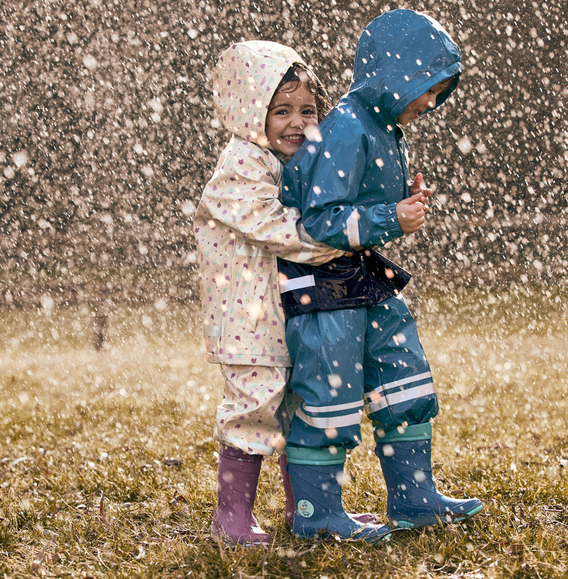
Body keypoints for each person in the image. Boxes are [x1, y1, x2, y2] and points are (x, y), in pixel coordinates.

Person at [277, 9, 483, 541]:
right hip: (323, 288)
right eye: (428, 88)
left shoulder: (380, 126)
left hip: (365, 278)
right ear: (397, 76)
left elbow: (359, 207)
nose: (432, 102)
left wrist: (398, 207)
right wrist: (390, 216)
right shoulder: (344, 127)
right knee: (330, 394)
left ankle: (413, 497)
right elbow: (320, 219)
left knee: (403, 377)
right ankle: (317, 516)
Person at [194, 40, 381, 547]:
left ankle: (311, 507)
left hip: (295, 309)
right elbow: (271, 226)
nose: (297, 122)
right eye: (281, 111)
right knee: (255, 406)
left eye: (307, 110)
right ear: (249, 111)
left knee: (301, 406)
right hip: (248, 315)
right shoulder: (242, 164)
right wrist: (330, 238)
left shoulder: (297, 162)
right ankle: (232, 517)